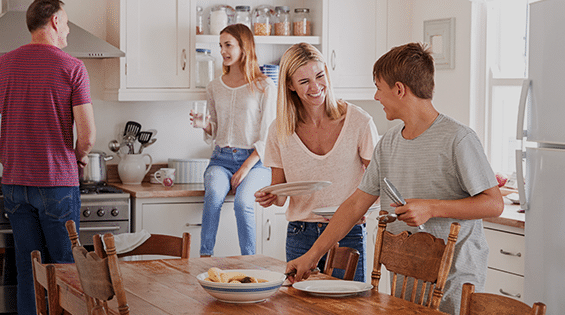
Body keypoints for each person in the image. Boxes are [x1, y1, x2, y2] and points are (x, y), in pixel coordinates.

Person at [284, 42, 503, 314]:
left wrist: (430, 208)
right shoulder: (388, 143)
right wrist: (311, 256)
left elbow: (494, 204)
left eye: (378, 87)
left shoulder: (458, 138)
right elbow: (355, 205)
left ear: (399, 90)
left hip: (453, 278)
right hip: (408, 275)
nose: (376, 96)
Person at [0, 1, 96, 314]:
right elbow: (88, 137)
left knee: (28, 269)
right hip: (57, 184)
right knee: (66, 269)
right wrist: (79, 158)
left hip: (15, 186)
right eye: (67, 23)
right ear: (55, 21)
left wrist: (11, 161)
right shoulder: (72, 67)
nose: (68, 29)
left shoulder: (2, 65)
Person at [254, 43, 378, 282]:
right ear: (290, 86)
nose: (315, 87)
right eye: (304, 82)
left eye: (319, 76)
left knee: (349, 307)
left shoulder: (359, 121)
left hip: (347, 233)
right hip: (300, 232)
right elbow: (280, 194)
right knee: (300, 306)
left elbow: (377, 179)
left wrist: (363, 209)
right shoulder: (279, 130)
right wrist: (270, 196)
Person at [195, 23, 276, 257]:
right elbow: (216, 129)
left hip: (255, 163)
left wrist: (244, 169)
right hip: (220, 160)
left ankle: (249, 261)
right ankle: (204, 257)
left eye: (228, 45)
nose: (223, 51)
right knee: (213, 198)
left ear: (244, 47)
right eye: (221, 46)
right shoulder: (214, 87)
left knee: (243, 204)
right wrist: (205, 125)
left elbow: (268, 135)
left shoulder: (264, 86)